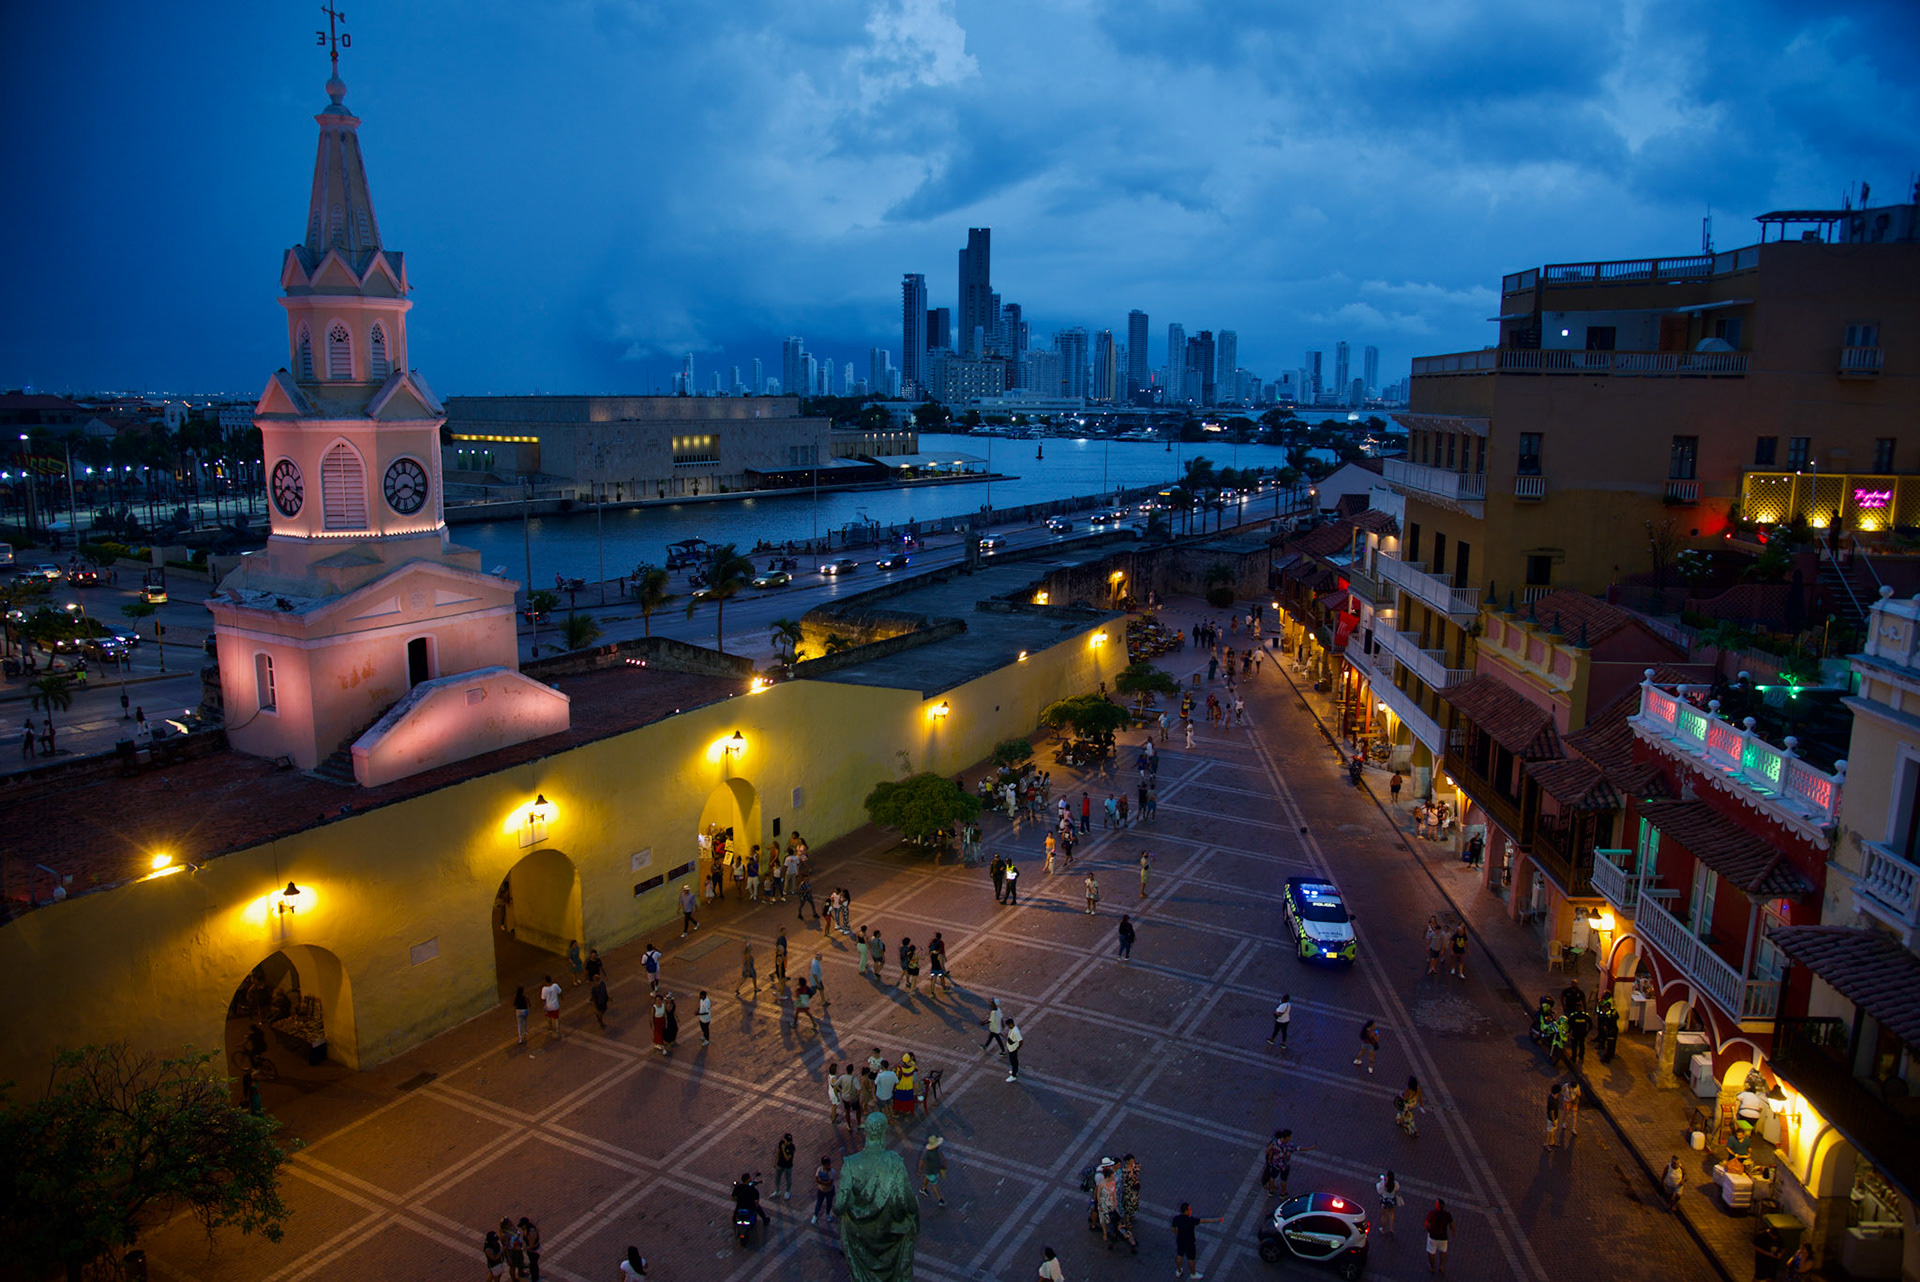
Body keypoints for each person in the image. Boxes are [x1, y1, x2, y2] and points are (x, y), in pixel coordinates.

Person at [1170, 1201, 1223, 1280]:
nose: (1190, 1211)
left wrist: (1178, 1233)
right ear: (1186, 1211)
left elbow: (1172, 1228)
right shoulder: (1191, 1220)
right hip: (1190, 1242)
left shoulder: (1176, 1218)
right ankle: (1193, 1274)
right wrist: (1216, 1220)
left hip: (1180, 1240)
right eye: (1189, 1209)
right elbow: (1203, 1221)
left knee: (1179, 1255)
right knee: (1191, 1258)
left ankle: (1178, 1270)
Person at [1424, 1199, 1452, 1275]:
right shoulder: (1447, 1215)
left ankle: (1432, 1267)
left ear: (1438, 1205)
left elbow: (1426, 1223)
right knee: (1443, 1252)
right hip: (1443, 1237)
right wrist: (1454, 1232)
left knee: (1431, 1252)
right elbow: (1451, 1225)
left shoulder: (1431, 1213)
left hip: (1433, 1236)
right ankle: (1441, 1266)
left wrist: (1428, 1230)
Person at [918, 1135, 947, 1206]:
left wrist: (943, 1162)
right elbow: (921, 1161)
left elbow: (942, 1156)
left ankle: (923, 1188)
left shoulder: (936, 1150)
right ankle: (939, 1199)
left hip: (932, 1170)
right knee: (934, 1184)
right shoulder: (927, 1153)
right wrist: (919, 1170)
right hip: (930, 1170)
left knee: (927, 1178)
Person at [812, 1156, 837, 1225]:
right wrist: (821, 1182)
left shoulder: (832, 1171)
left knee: (829, 1203)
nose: (828, 1166)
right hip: (821, 1190)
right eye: (827, 1165)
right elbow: (816, 1179)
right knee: (818, 1203)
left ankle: (828, 1214)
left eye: (829, 1164)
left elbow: (829, 1183)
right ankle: (815, 1216)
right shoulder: (819, 1169)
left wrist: (821, 1182)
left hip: (829, 1191)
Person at [1376, 1170, 1401, 1235]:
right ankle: (1391, 1228)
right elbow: (1397, 1189)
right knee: (1391, 1213)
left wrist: (1381, 1181)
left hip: (1384, 1200)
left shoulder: (1384, 1184)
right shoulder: (1395, 1183)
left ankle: (1383, 1229)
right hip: (1392, 1200)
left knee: (1384, 1215)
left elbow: (1379, 1191)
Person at [775, 1133, 796, 1201]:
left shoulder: (792, 1147)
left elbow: (787, 1158)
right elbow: (777, 1152)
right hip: (780, 1164)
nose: (789, 1142)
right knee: (777, 1178)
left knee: (788, 1179)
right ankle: (777, 1191)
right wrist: (775, 1161)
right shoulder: (781, 1142)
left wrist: (783, 1149)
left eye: (790, 1141)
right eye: (787, 1141)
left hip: (787, 1166)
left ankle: (787, 1192)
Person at [540, 975, 563, 1040]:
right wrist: (561, 998)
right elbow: (560, 992)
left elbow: (543, 999)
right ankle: (557, 1029)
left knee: (548, 1017)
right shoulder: (555, 986)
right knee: (556, 1018)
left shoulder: (544, 989)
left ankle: (550, 1029)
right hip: (555, 1005)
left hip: (548, 1006)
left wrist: (544, 1006)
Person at [1004, 1018, 1023, 1082]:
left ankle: (1014, 1076)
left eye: (1008, 1025)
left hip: (1013, 1048)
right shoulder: (1012, 1029)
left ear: (1011, 1024)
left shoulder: (1016, 1031)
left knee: (1014, 1061)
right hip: (1011, 1047)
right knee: (1013, 1061)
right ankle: (1014, 1071)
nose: (1008, 1026)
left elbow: (1021, 1041)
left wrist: (1018, 1048)